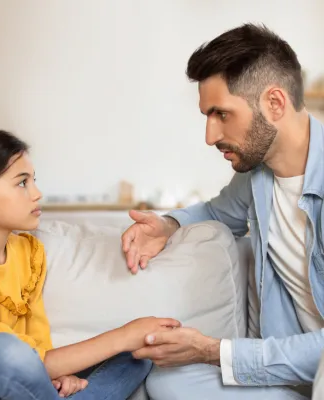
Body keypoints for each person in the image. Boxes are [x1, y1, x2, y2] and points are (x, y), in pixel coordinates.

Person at [121, 23, 324, 399]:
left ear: (274, 103)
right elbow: (215, 212)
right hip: (293, 375)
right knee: (168, 380)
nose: (210, 136)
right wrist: (167, 225)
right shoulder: (258, 177)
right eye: (206, 117)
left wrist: (215, 351)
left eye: (221, 114)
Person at [0, 130, 181, 400]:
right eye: (22, 183)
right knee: (5, 349)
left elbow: (38, 342)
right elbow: (16, 361)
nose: (37, 194)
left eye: (34, 181)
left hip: (24, 385)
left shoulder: (28, 252)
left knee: (136, 355)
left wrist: (59, 376)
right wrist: (123, 335)